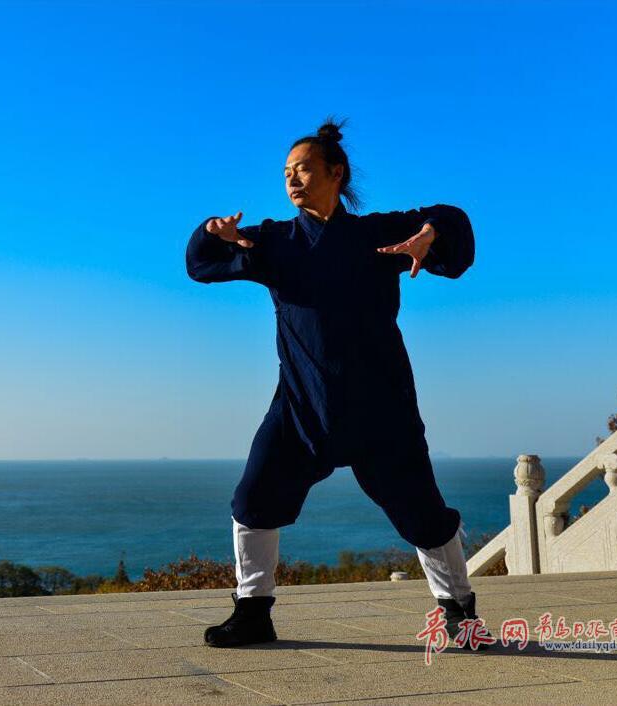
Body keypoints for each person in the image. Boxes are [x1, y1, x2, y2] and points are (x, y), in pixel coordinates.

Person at [185, 117, 489, 650]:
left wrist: (430, 235)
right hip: (302, 408)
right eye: (286, 172)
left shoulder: (377, 235)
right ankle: (253, 612)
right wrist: (213, 232)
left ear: (336, 172)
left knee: (424, 514)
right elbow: (201, 264)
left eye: (303, 169)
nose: (292, 179)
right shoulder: (273, 242)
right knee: (253, 497)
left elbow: (453, 222)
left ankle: (459, 613)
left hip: (381, 409)